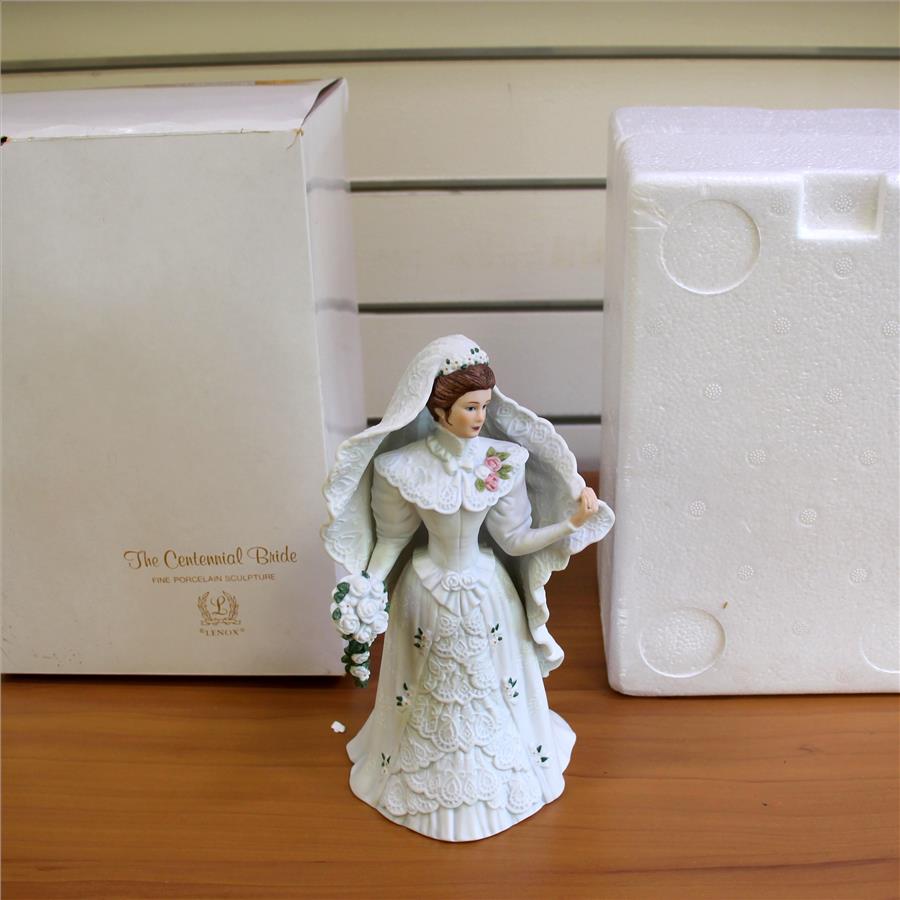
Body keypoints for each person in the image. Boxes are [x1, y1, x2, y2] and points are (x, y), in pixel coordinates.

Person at [322, 335, 614, 841]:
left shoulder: (503, 461)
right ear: (438, 409)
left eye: (484, 405)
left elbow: (514, 539)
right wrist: (367, 587)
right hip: (424, 595)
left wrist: (570, 523)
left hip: (487, 594)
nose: (481, 416)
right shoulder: (401, 467)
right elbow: (392, 540)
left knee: (492, 683)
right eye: (470, 407)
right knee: (426, 691)